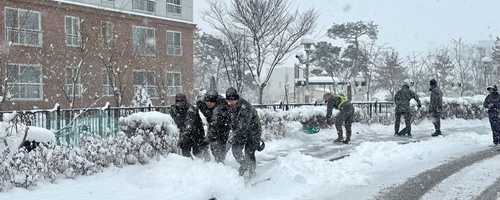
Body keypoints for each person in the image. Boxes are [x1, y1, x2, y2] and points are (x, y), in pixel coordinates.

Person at [225, 87, 263, 177]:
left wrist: (230, 141)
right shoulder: (228, 106)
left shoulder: (245, 107)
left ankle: (252, 172)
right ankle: (244, 164)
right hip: (240, 133)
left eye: (232, 100)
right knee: (236, 150)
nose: (230, 102)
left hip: (253, 132)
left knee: (249, 152)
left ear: (236, 98)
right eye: (228, 100)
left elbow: (242, 127)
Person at [196, 90, 231, 163]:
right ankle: (215, 161)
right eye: (207, 101)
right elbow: (200, 102)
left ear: (216, 101)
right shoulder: (203, 103)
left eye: (211, 102)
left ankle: (221, 164)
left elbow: (215, 126)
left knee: (219, 148)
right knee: (213, 147)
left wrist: (206, 141)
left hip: (223, 127)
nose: (209, 103)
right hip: (212, 124)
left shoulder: (220, 108)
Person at [169, 93, 206, 158]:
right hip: (185, 134)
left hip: (197, 134)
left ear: (185, 101)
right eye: (178, 103)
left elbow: (190, 126)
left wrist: (182, 137)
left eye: (181, 103)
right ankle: (188, 164)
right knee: (185, 152)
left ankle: (201, 164)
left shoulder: (191, 111)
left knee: (197, 153)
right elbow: (176, 120)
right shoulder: (174, 110)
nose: (179, 105)